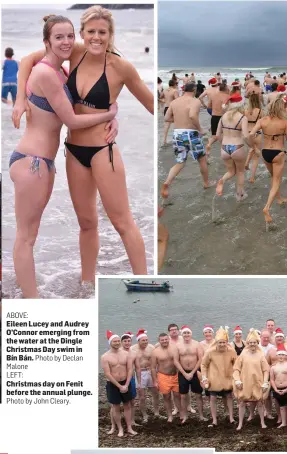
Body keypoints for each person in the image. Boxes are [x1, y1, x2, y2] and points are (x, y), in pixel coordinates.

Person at [13, 6, 154, 284]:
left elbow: (152, 104)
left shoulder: (120, 66)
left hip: (103, 150)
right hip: (74, 151)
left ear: (111, 34)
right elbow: (27, 61)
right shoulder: (74, 51)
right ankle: (87, 284)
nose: (96, 37)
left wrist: (117, 116)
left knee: (122, 222)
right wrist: (20, 99)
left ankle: (146, 282)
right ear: (83, 33)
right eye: (91, 32)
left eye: (102, 32)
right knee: (86, 223)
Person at [9, 15, 118, 299]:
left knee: (29, 234)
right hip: (31, 161)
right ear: (47, 42)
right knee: (26, 237)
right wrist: (110, 114)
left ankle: (27, 294)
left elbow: (24, 63)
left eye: (70, 36)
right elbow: (71, 119)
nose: (67, 42)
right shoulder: (46, 71)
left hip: (42, 162)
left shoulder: (60, 69)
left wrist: (110, 109)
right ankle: (31, 303)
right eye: (59, 37)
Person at [160, 83, 215, 199]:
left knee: (180, 162)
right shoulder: (195, 101)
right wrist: (200, 129)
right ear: (194, 90)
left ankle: (167, 183)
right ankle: (206, 183)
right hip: (191, 133)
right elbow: (192, 116)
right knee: (202, 159)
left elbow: (166, 118)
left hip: (177, 134)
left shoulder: (175, 102)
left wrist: (179, 120)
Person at [249, 95, 287, 223]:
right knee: (277, 180)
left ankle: (279, 198)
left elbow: (250, 134)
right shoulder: (284, 121)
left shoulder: (262, 120)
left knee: (274, 178)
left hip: (265, 153)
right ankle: (267, 208)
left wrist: (254, 148)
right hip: (278, 153)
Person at [101, 330, 137, 437]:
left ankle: (129, 427)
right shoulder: (105, 357)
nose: (117, 343)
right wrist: (119, 386)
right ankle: (120, 428)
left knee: (127, 405)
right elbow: (107, 373)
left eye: (118, 341)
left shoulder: (126, 354)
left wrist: (126, 384)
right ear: (110, 343)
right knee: (115, 406)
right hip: (113, 384)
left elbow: (130, 369)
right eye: (114, 341)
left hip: (125, 382)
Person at [215, 94, 250, 201]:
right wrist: (251, 146)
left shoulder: (223, 116)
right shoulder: (242, 117)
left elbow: (217, 135)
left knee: (231, 172)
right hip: (238, 147)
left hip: (225, 148)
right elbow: (245, 135)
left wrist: (223, 144)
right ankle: (240, 195)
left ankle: (222, 180)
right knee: (240, 172)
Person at [233, 329, 270, 431]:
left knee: (260, 402)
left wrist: (265, 382)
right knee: (241, 402)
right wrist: (237, 380)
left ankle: (262, 422)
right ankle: (240, 423)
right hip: (245, 383)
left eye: (254, 342)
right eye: (250, 342)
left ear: (257, 343)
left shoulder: (261, 355)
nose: (252, 344)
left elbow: (266, 370)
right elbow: (236, 369)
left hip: (258, 382)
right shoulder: (243, 355)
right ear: (248, 343)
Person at [201, 326, 237, 427]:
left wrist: (236, 376)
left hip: (227, 378)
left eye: (223, 342)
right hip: (213, 379)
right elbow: (204, 365)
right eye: (219, 342)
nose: (222, 344)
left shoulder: (231, 351)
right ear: (216, 342)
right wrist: (204, 377)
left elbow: (236, 364)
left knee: (229, 397)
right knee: (213, 398)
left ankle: (231, 417)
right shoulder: (210, 352)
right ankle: (214, 420)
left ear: (226, 342)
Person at [173, 325, 207, 423]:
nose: (186, 335)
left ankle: (201, 416)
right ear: (182, 334)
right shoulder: (178, 346)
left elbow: (200, 359)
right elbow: (176, 361)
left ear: (191, 334)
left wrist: (192, 372)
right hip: (183, 372)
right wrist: (184, 373)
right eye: (184, 333)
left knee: (198, 394)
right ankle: (184, 416)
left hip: (195, 372)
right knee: (183, 395)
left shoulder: (197, 344)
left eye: (188, 333)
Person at [151, 333, 181, 422]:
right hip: (163, 376)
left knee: (177, 395)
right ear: (159, 341)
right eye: (162, 340)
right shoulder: (155, 352)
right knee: (166, 397)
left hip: (175, 375)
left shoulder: (174, 348)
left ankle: (181, 414)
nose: (164, 341)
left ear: (169, 339)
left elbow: (179, 361)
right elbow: (152, 368)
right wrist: (155, 381)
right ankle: (170, 415)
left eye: (166, 339)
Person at [132, 329, 159, 422]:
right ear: (138, 340)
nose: (145, 342)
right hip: (140, 373)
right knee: (142, 396)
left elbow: (157, 359)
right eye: (143, 340)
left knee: (155, 393)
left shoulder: (151, 347)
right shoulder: (133, 349)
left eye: (146, 340)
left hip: (151, 371)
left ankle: (156, 412)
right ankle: (144, 415)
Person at [244, 93, 264, 183]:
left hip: (247, 134)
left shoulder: (245, 111)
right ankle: (252, 177)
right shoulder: (260, 111)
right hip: (257, 133)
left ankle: (247, 163)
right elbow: (263, 124)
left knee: (252, 148)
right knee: (256, 157)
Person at [205, 82, 229, 156]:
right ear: (225, 89)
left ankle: (209, 144)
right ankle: (225, 151)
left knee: (214, 136)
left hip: (214, 117)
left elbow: (208, 106)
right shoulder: (227, 96)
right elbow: (229, 108)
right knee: (224, 135)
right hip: (223, 118)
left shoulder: (213, 95)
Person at [270, 344, 287, 428]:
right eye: (279, 354)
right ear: (277, 355)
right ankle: (284, 422)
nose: (281, 356)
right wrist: (275, 389)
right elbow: (272, 379)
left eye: (283, 354)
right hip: (277, 389)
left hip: (286, 388)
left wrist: (286, 390)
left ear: (285, 355)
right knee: (282, 407)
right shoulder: (273, 367)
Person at [161, 79, 179, 145]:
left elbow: (160, 97)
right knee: (177, 123)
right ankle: (177, 139)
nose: (176, 85)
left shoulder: (165, 90)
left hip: (166, 108)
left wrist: (164, 101)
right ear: (174, 84)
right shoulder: (175, 91)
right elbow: (177, 100)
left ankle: (164, 140)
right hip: (172, 108)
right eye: (176, 84)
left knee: (167, 125)